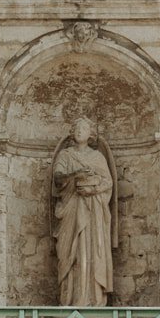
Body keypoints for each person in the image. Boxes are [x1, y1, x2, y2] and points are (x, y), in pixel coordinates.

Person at [53, 117, 114, 306]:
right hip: (71, 209)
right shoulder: (65, 155)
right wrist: (77, 175)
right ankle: (71, 300)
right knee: (71, 253)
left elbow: (108, 182)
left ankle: (94, 300)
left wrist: (93, 189)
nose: (80, 131)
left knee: (93, 252)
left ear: (91, 134)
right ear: (72, 132)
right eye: (77, 127)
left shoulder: (97, 157)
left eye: (84, 128)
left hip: (93, 211)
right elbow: (57, 178)